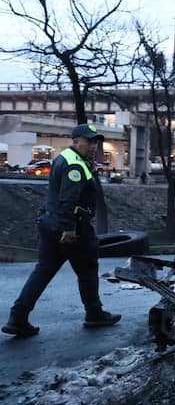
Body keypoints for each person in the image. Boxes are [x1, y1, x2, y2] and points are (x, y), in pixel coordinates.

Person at [3, 124, 121, 337]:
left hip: (49, 223)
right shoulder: (74, 165)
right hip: (71, 228)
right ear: (76, 141)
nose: (93, 145)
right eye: (89, 141)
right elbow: (68, 199)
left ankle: (17, 317)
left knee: (43, 272)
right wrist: (69, 228)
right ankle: (94, 314)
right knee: (87, 271)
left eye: (95, 141)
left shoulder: (64, 158)